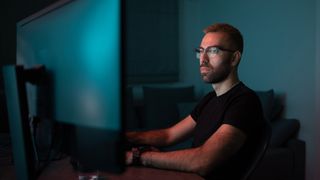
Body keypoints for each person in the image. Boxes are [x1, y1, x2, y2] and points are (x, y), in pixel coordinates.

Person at [125, 23, 266, 179]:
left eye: (213, 51)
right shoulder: (209, 99)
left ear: (234, 58)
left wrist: (139, 157)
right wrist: (125, 137)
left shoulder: (244, 101)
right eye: (200, 51)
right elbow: (168, 135)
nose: (203, 59)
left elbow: (203, 161)